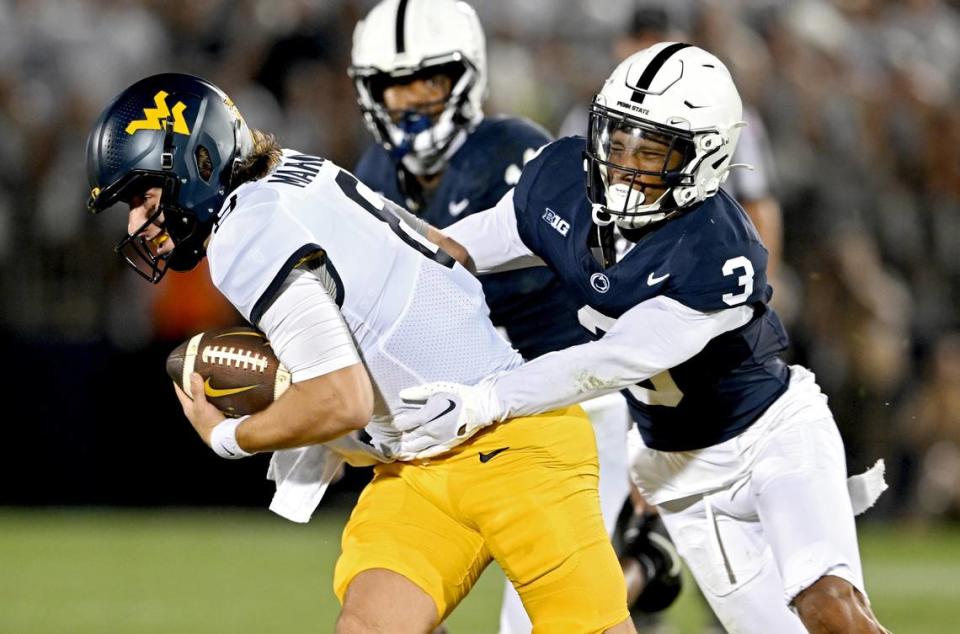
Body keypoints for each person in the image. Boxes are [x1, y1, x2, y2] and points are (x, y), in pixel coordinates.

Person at [84, 72, 635, 633]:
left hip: (512, 443)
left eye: (142, 194)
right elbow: (430, 263)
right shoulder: (295, 172)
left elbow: (339, 399)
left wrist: (226, 438)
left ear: (197, 162)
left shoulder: (244, 233)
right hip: (420, 460)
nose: (135, 221)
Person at [392, 43, 891, 634]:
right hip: (675, 470)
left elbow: (611, 362)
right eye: (617, 142)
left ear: (704, 159)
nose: (624, 165)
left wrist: (484, 399)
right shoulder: (560, 181)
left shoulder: (717, 250)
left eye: (651, 153)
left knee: (829, 607)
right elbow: (456, 249)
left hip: (769, 437)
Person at [347, 0, 680, 630]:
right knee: (395, 604)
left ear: (465, 79)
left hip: (563, 405)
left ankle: (639, 566)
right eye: (396, 89)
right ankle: (640, 565)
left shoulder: (517, 155)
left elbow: (613, 286)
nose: (414, 103)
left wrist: (649, 428)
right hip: (453, 418)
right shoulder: (372, 176)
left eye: (430, 82)